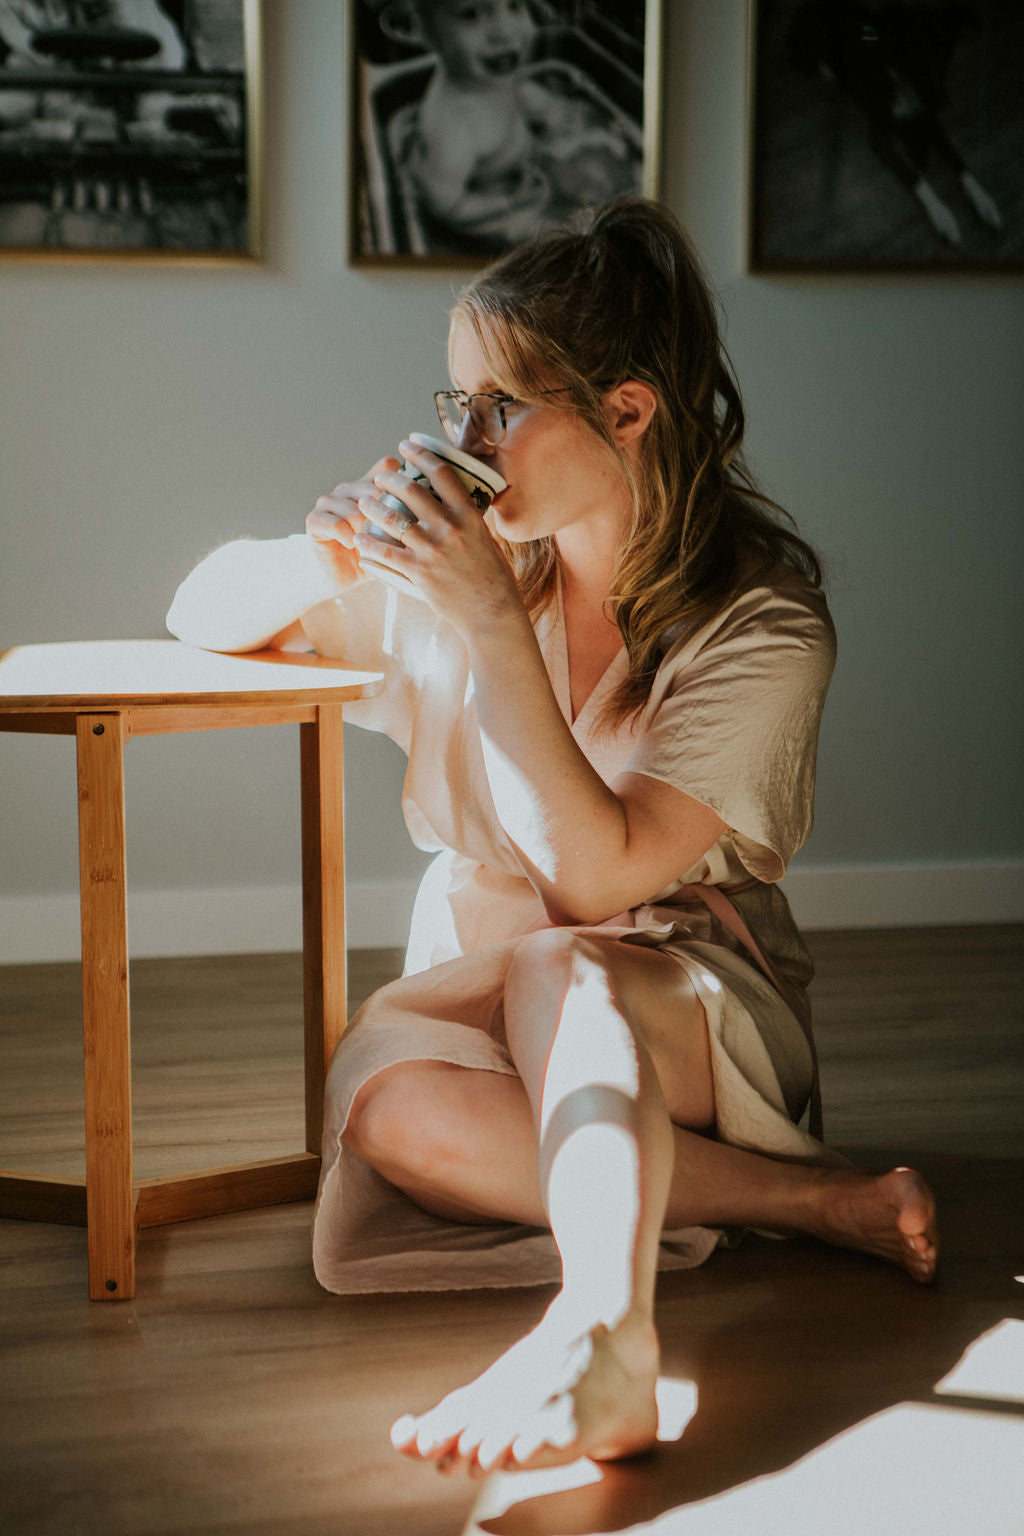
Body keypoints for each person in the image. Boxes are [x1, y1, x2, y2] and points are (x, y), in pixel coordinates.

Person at [166, 196, 938, 1476]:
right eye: (454, 403)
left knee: (558, 964)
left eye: (496, 409)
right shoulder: (472, 567)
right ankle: (813, 1200)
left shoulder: (763, 628)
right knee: (389, 1111)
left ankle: (600, 1334)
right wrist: (329, 553)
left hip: (688, 992)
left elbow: (596, 879)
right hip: (494, 984)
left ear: (625, 411)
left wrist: (477, 624)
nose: (461, 440)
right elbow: (201, 608)